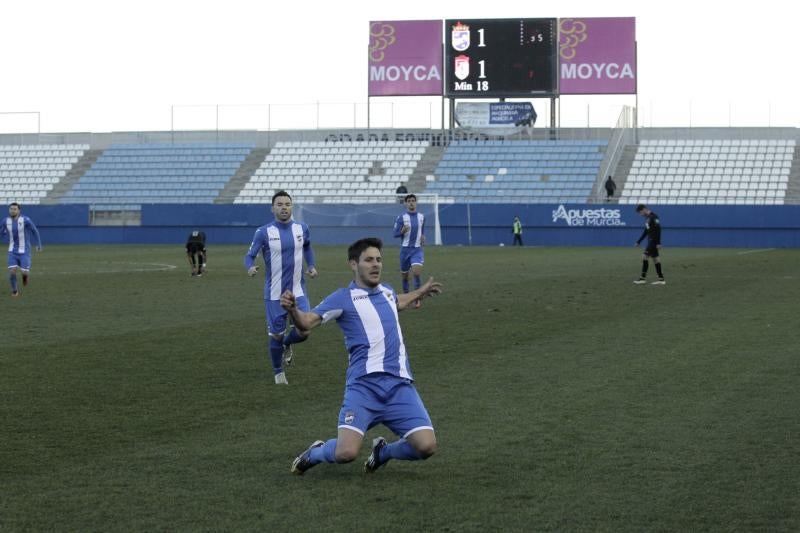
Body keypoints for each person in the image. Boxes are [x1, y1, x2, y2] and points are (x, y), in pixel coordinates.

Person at [281, 237, 442, 476]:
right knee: (346, 453)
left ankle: (382, 453)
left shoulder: (386, 291)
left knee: (427, 446)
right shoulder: (342, 298)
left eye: (378, 260)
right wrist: (293, 309)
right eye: (368, 260)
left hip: (399, 386)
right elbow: (306, 323)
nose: (376, 265)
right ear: (353, 265)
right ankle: (313, 453)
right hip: (364, 388)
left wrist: (419, 292)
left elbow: (398, 301)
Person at [244, 191, 319, 384]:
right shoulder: (263, 232)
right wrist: (250, 267)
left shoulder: (302, 228)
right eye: (279, 204)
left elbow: (308, 247)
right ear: (272, 208)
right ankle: (278, 373)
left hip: (298, 292)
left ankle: (287, 343)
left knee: (305, 331)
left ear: (292, 207)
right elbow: (249, 255)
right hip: (275, 294)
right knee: (275, 335)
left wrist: (311, 266)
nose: (284, 207)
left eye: (287, 204)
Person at [1, 202, 42, 298]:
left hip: (25, 252)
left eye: (15, 209)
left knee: (24, 272)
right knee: (12, 271)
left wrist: (39, 244)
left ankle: (25, 277)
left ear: (19, 210)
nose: (12, 210)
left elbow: (34, 231)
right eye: (11, 209)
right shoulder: (5, 221)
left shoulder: (25, 220)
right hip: (12, 251)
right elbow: (1, 232)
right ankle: (15, 290)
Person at [392, 194, 425, 307]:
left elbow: (422, 230)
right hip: (405, 251)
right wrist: (402, 231)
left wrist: (423, 237)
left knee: (416, 272)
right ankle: (406, 297)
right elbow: (395, 234)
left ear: (416, 202)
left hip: (417, 250)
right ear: (406, 203)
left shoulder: (421, 216)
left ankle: (417, 298)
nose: (411, 202)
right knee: (405, 276)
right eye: (409, 201)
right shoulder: (401, 217)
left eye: (413, 200)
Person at [633, 204, 665, 285]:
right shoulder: (647, 218)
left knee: (645, 256)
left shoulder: (654, 217)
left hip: (653, 241)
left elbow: (658, 229)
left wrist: (658, 243)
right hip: (651, 240)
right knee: (656, 259)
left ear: (644, 209)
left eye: (640, 212)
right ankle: (661, 280)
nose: (640, 214)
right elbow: (646, 231)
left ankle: (642, 278)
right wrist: (638, 241)